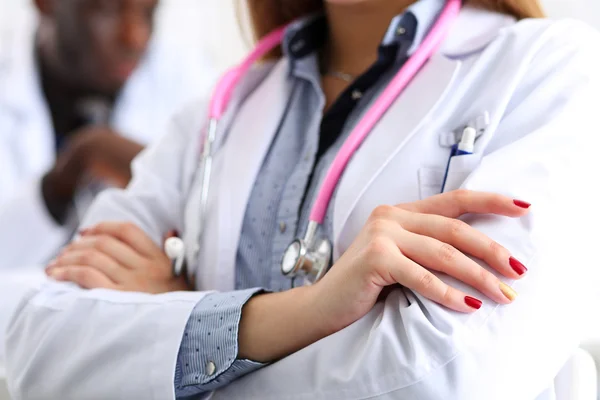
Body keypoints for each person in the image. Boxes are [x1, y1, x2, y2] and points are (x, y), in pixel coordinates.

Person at [5, 0, 600, 398]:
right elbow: (36, 347)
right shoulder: (220, 109)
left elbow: (450, 381)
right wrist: (298, 315)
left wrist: (180, 333)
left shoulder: (554, 69)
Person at [0, 0, 215, 268]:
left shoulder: (190, 82)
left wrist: (147, 170)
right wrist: (58, 185)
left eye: (149, 13)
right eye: (108, 9)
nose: (135, 37)